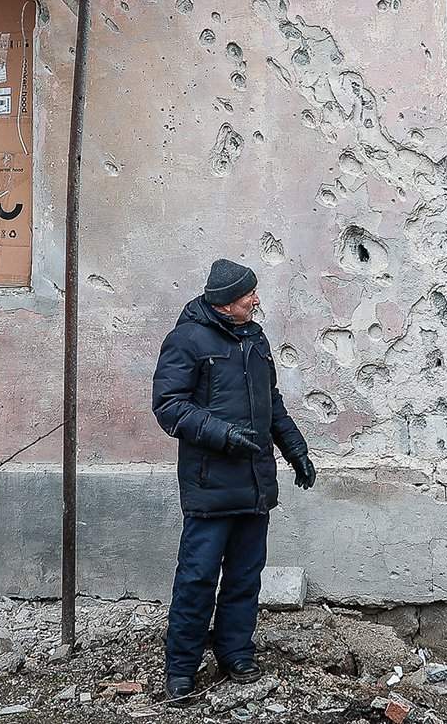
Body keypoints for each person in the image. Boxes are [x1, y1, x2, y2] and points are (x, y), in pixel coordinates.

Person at [151, 257, 315, 703]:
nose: (256, 299)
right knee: (198, 577)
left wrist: (295, 449)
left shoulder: (255, 339)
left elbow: (272, 403)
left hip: (255, 481)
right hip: (210, 484)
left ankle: (236, 652)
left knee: (245, 575)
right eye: (248, 294)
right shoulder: (186, 340)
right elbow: (169, 405)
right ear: (225, 303)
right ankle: (181, 669)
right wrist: (224, 436)